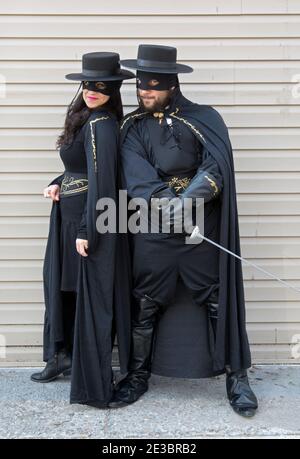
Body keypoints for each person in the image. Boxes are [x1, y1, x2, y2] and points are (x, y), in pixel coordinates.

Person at [108, 44, 258, 417]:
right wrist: (166, 206)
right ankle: (136, 377)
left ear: (172, 85)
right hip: (151, 230)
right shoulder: (131, 128)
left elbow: (216, 165)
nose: (145, 93)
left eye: (153, 86)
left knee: (217, 300)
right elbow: (135, 173)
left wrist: (188, 201)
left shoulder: (205, 118)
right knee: (144, 302)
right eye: (141, 86)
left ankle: (236, 378)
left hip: (199, 228)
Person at [31, 52, 134, 408]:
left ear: (114, 90)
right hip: (67, 216)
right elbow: (81, 167)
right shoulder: (85, 118)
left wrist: (89, 229)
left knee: (87, 294)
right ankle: (61, 356)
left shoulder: (102, 125)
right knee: (62, 287)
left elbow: (105, 180)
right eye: (88, 84)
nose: (92, 91)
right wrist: (57, 182)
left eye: (101, 86)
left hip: (87, 223)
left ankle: (90, 371)